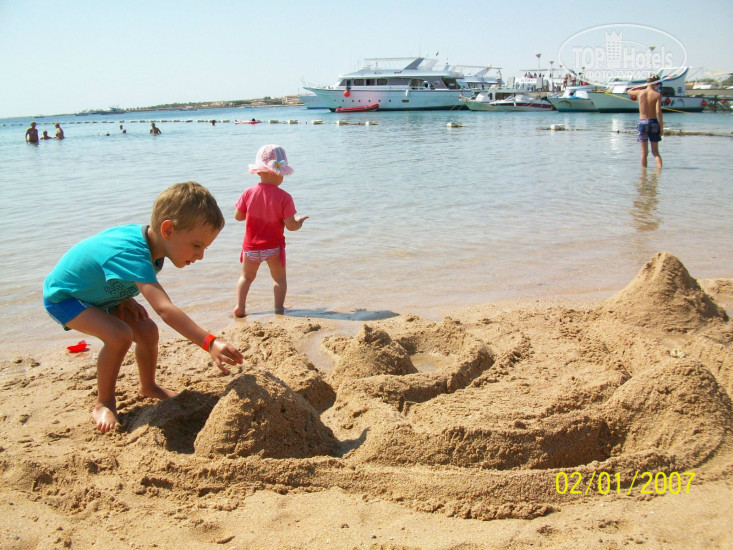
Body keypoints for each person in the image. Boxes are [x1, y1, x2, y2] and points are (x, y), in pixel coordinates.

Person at [43, 181, 244, 433]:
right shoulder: (132, 253)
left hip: (101, 295)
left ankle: (148, 386)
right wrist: (209, 342)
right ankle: (104, 403)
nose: (200, 255)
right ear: (168, 229)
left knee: (148, 331)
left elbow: (105, 267)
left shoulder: (154, 245)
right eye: (196, 245)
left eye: (205, 247)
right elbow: (164, 309)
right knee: (119, 335)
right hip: (66, 297)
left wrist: (124, 298)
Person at [234, 145, 308, 317]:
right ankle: (279, 308)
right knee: (279, 279)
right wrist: (299, 222)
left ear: (259, 172)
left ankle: (240, 306)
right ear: (280, 173)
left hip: (251, 248)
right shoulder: (284, 197)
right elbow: (290, 226)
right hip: (273, 248)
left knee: (246, 277)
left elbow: (238, 216)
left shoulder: (248, 192)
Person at [629, 76, 664, 168]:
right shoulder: (657, 95)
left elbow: (629, 90)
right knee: (655, 152)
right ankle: (659, 171)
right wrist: (661, 127)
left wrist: (643, 86)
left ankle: (643, 174)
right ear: (656, 83)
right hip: (653, 122)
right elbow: (658, 112)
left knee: (644, 153)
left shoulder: (640, 92)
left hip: (642, 123)